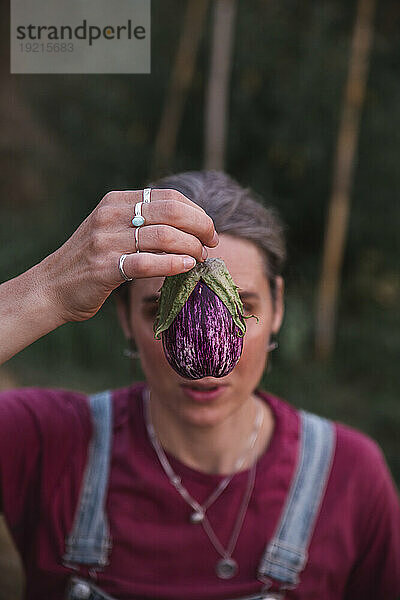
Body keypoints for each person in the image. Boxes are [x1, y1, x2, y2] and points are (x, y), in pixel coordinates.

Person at [0, 170, 399, 600]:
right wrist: (46, 292)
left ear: (278, 306)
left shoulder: (352, 477)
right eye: (161, 308)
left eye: (239, 307)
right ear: (125, 319)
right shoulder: (44, 442)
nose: (209, 362)